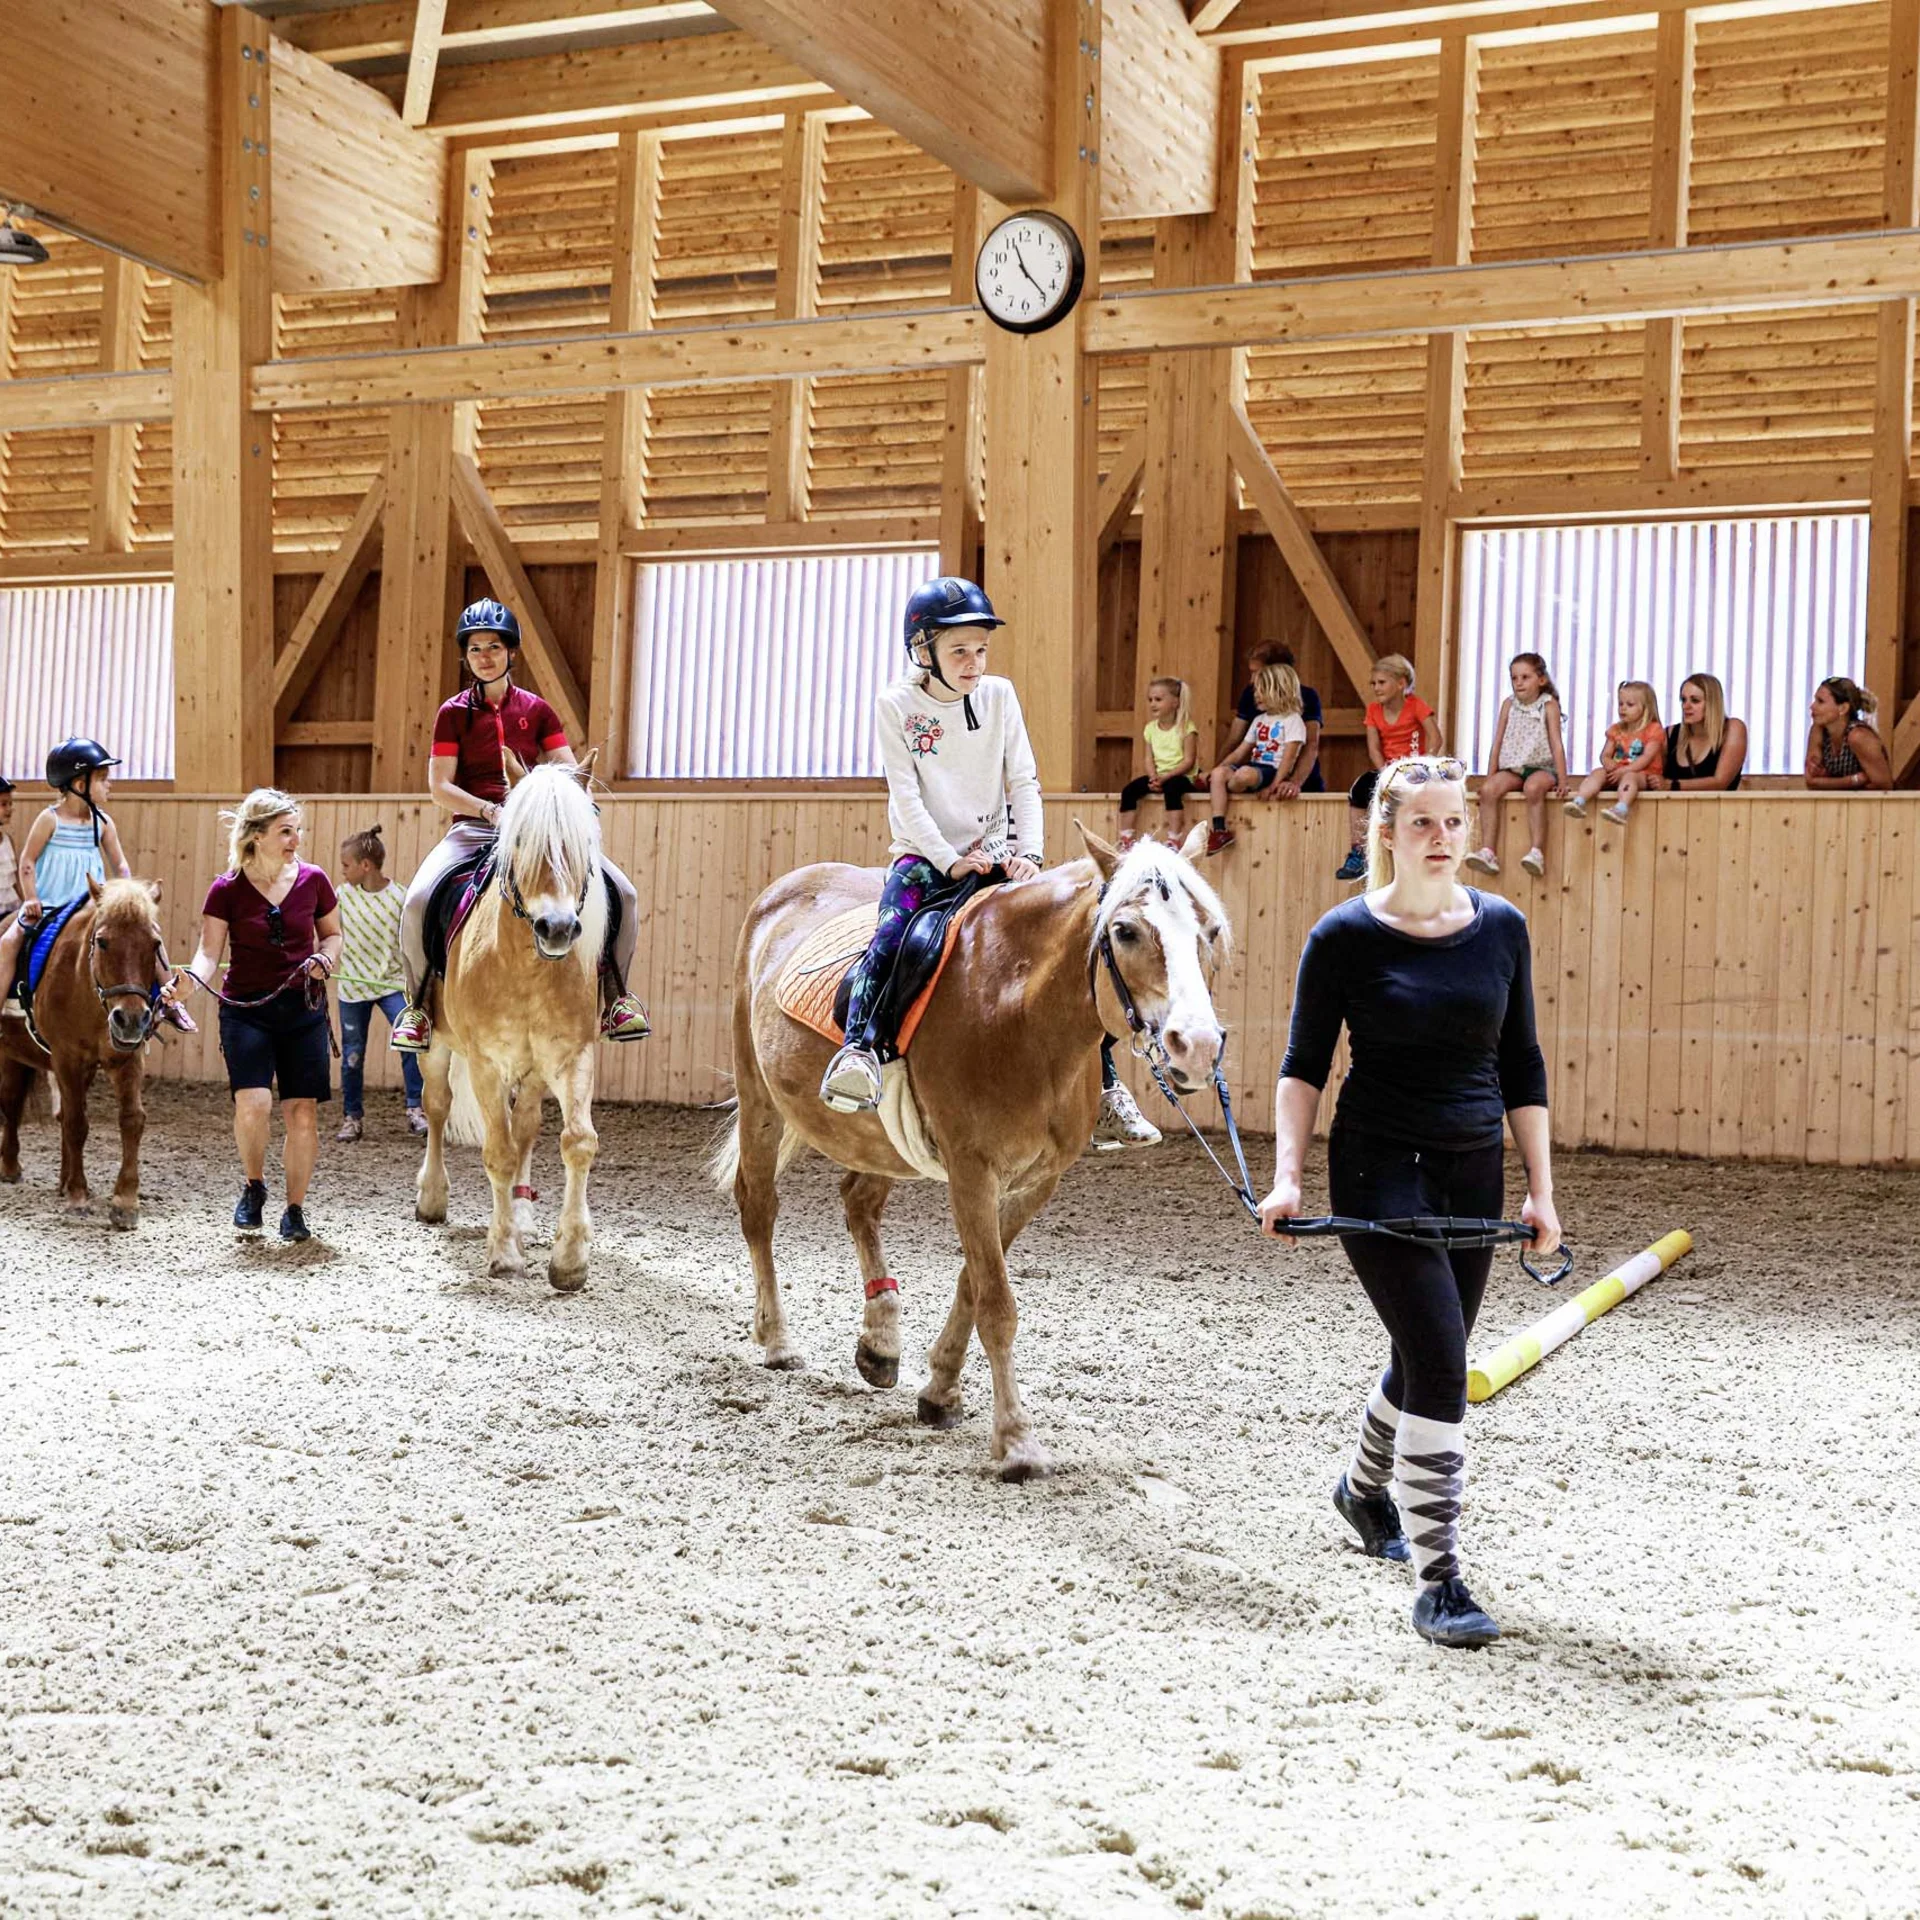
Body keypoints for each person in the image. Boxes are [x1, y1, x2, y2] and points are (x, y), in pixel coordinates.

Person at [1258, 754, 1560, 1650]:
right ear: (1384, 833)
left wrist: (1542, 1190)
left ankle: (1361, 1491)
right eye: (1421, 822)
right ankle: (1440, 1583)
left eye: (1454, 821)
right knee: (1438, 1361)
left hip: (1474, 1169)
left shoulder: (1503, 928)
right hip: (1378, 1167)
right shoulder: (1342, 937)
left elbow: (1524, 1065)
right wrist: (1288, 1176)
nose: (1441, 838)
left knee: (1431, 1350)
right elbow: (1303, 1068)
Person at [391, 599, 650, 1052]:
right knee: (416, 900)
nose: (484, 656)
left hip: (535, 835)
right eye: (475, 649)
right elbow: (440, 787)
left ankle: (615, 996)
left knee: (623, 893)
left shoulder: (538, 710)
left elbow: (570, 774)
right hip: (474, 829)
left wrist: (576, 813)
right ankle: (418, 1006)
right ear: (466, 656)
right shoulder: (452, 714)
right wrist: (490, 811)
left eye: (494, 646)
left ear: (511, 653)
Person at [170, 790, 342, 1244]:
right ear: (257, 836)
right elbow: (209, 954)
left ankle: (295, 1209)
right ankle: (253, 1186)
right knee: (255, 1103)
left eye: (297, 830)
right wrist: (190, 980)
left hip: (303, 1009)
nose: (295, 839)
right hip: (247, 1010)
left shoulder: (315, 879)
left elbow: (333, 936)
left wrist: (325, 959)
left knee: (301, 1112)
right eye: (286, 831)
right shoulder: (225, 889)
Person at [0, 737, 191, 1031]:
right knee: (8, 942)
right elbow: (27, 862)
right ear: (79, 785)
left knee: (150, 937)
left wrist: (129, 900)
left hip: (93, 905)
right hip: (49, 904)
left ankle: (170, 1003)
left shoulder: (102, 822)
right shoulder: (49, 820)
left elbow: (121, 865)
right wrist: (30, 898)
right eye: (102, 779)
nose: (109, 785)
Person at [334, 823, 426, 1143]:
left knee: (410, 1043)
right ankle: (352, 1117)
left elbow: (412, 941)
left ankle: (416, 1110)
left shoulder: (400, 898)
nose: (342, 871)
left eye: (346, 865)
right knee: (352, 1055)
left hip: (392, 984)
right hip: (352, 987)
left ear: (365, 866)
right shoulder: (341, 897)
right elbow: (328, 933)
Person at [1336, 655, 1439, 881]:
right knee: (1360, 788)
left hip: (1415, 769)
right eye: (1373, 683)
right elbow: (1373, 747)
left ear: (1401, 684)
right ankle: (1358, 852)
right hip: (1389, 769)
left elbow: (1435, 737)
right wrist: (1385, 771)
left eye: (1382, 682)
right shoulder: (1373, 710)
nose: (1376, 688)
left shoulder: (1416, 706)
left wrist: (1424, 764)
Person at [1465, 652, 1566, 879]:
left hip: (1542, 767)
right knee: (1490, 791)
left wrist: (1563, 779)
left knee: (1533, 788)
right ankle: (1488, 851)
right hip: (1512, 767)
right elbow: (1497, 743)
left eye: (1525, 677)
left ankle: (1537, 851)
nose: (1518, 682)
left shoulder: (1548, 706)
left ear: (1541, 680)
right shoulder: (1509, 704)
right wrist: (1490, 777)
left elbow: (1557, 744)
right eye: (1514, 678)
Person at [1202, 658, 1307, 856]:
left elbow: (1288, 758)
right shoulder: (1259, 720)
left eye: (1261, 691)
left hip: (1270, 771)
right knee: (1218, 774)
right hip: (1252, 767)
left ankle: (1232, 785)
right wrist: (1217, 769)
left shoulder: (1293, 721)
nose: (1256, 695)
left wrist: (1274, 785)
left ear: (1279, 690)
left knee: (1243, 774)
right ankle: (1219, 829)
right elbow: (1240, 751)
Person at [1213, 642, 1327, 800]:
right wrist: (1215, 771)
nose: (1251, 681)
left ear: (1277, 673)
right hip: (1254, 777)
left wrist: (1294, 783)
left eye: (1256, 673)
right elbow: (1234, 740)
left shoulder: (1307, 697)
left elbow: (1311, 744)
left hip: (1297, 779)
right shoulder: (1251, 694)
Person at [1564, 680, 1664, 827]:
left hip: (1643, 774)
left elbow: (1646, 758)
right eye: (1620, 704)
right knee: (1598, 772)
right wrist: (1607, 762)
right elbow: (1605, 754)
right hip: (1617, 772)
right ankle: (1580, 801)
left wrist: (1624, 770)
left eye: (1630, 705)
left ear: (1646, 708)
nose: (1623, 708)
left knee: (1630, 777)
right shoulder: (1616, 730)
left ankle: (1621, 808)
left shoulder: (1653, 730)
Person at [1116, 677, 1199, 851]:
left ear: (1175, 702)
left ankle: (1175, 839)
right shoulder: (1150, 728)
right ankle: (1126, 838)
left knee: (1172, 789)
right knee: (1129, 791)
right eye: (1150, 700)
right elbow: (1148, 758)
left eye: (1158, 700)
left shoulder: (1186, 728)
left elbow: (1189, 761)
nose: (1153, 704)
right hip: (1159, 775)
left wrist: (1166, 777)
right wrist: (1153, 776)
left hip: (1180, 776)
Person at [1803, 675, 1890, 791]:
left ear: (1843, 708)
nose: (1812, 706)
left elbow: (1884, 785)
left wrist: (1828, 783)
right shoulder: (1818, 731)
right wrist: (1854, 780)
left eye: (1820, 701)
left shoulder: (1858, 737)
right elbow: (1812, 781)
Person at [1663, 673, 1746, 793]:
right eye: (1683, 700)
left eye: (1695, 700)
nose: (1686, 706)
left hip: (1721, 810)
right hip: (1673, 810)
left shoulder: (1733, 728)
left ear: (1712, 703)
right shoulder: (1670, 734)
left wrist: (1672, 785)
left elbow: (1720, 782)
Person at [0, 775, 17, 919]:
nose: (9, 809)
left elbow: (15, 878)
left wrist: (26, 901)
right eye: (3, 804)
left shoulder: (8, 841)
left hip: (9, 910)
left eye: (10, 804)